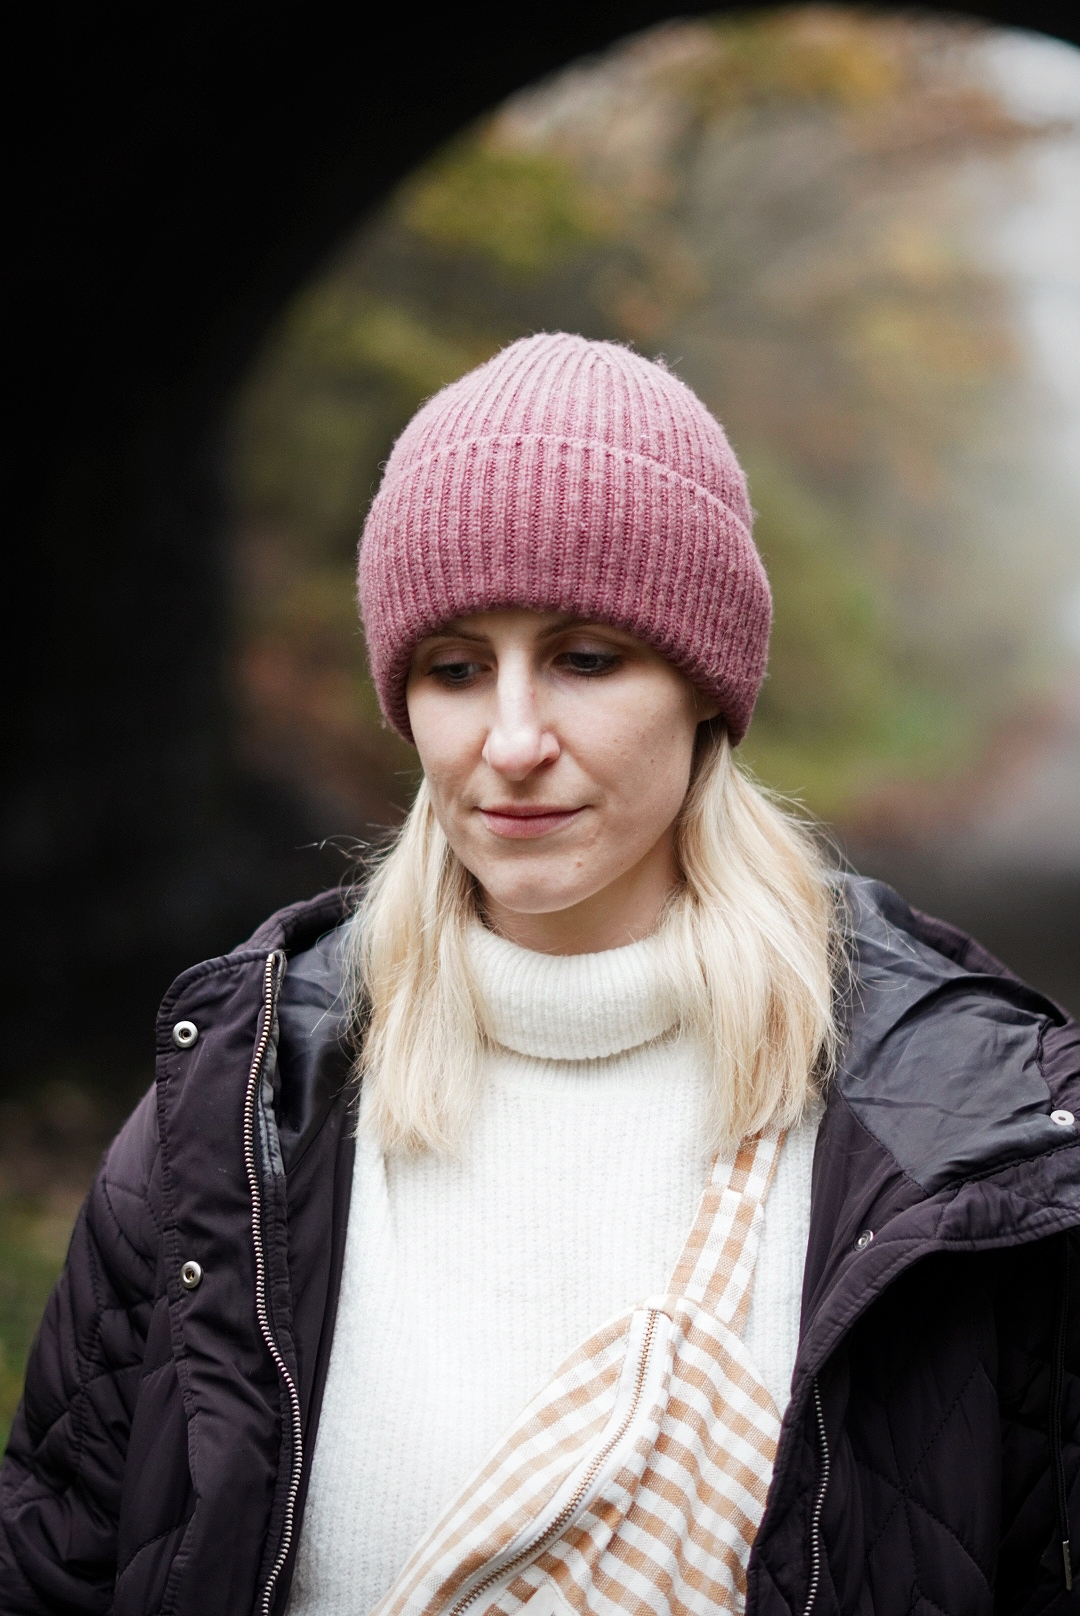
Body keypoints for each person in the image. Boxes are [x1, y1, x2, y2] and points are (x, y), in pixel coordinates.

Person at [1, 333, 1077, 1616]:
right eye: (456, 669)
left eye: (584, 657)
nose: (511, 740)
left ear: (705, 692)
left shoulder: (964, 1141)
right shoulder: (233, 1118)